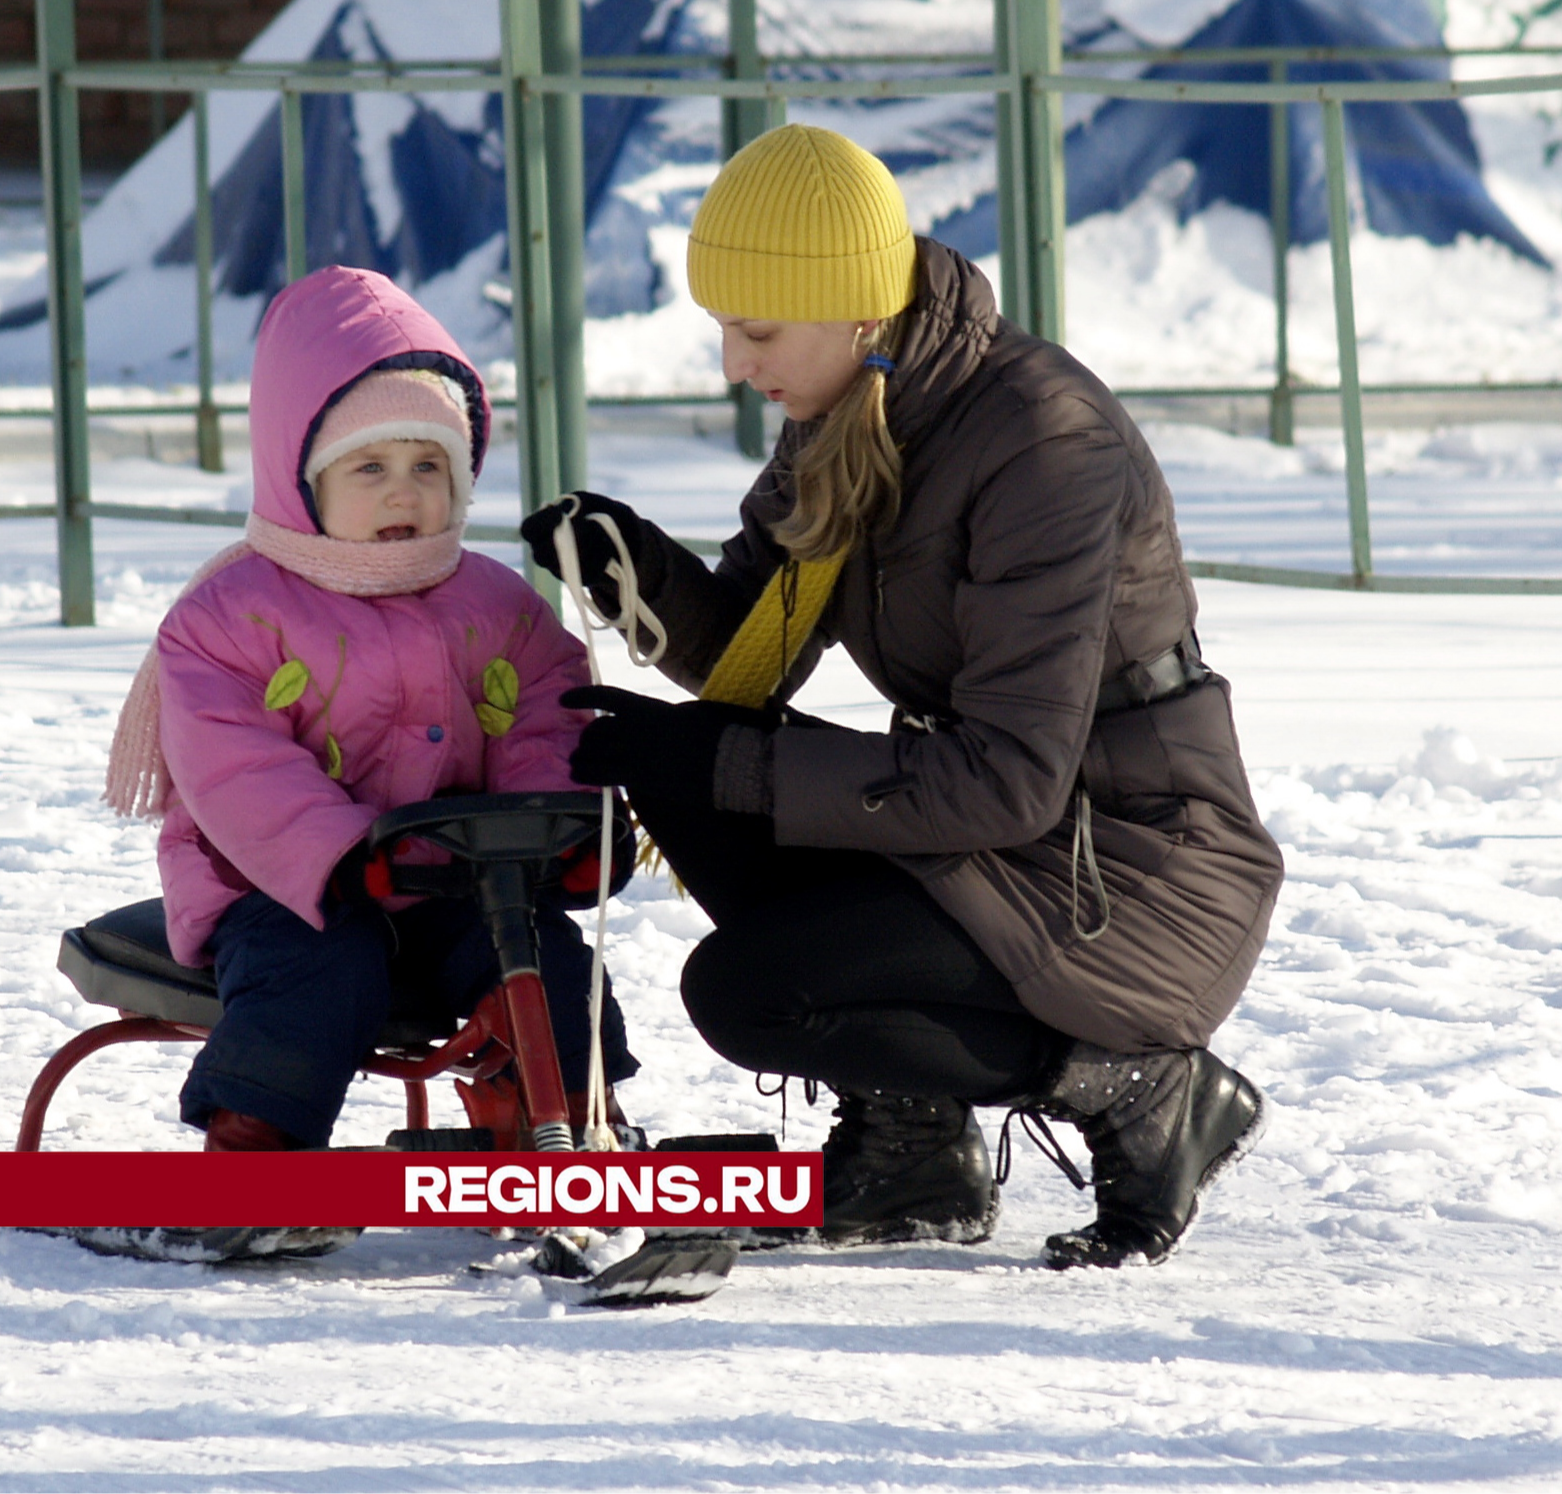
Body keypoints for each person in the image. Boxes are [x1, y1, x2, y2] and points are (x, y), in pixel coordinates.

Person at [522, 125, 1283, 1269]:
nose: (735, 362)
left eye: (757, 330)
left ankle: (1140, 1089)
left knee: (744, 989)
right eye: (725, 328)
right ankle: (910, 1148)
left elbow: (1008, 778)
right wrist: (639, 576)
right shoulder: (845, 418)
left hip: (1131, 868)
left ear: (854, 311)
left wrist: (715, 760)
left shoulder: (1040, 442)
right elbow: (752, 659)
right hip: (1001, 837)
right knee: (692, 764)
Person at [105, 264, 637, 1168]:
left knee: (542, 958)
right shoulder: (230, 617)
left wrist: (556, 823)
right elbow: (237, 769)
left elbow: (548, 713)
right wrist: (347, 855)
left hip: (468, 882)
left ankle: (558, 1121)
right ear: (302, 482)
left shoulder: (496, 603)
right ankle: (256, 1144)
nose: (405, 492)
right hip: (279, 887)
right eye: (371, 467)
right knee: (321, 970)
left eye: (430, 465)